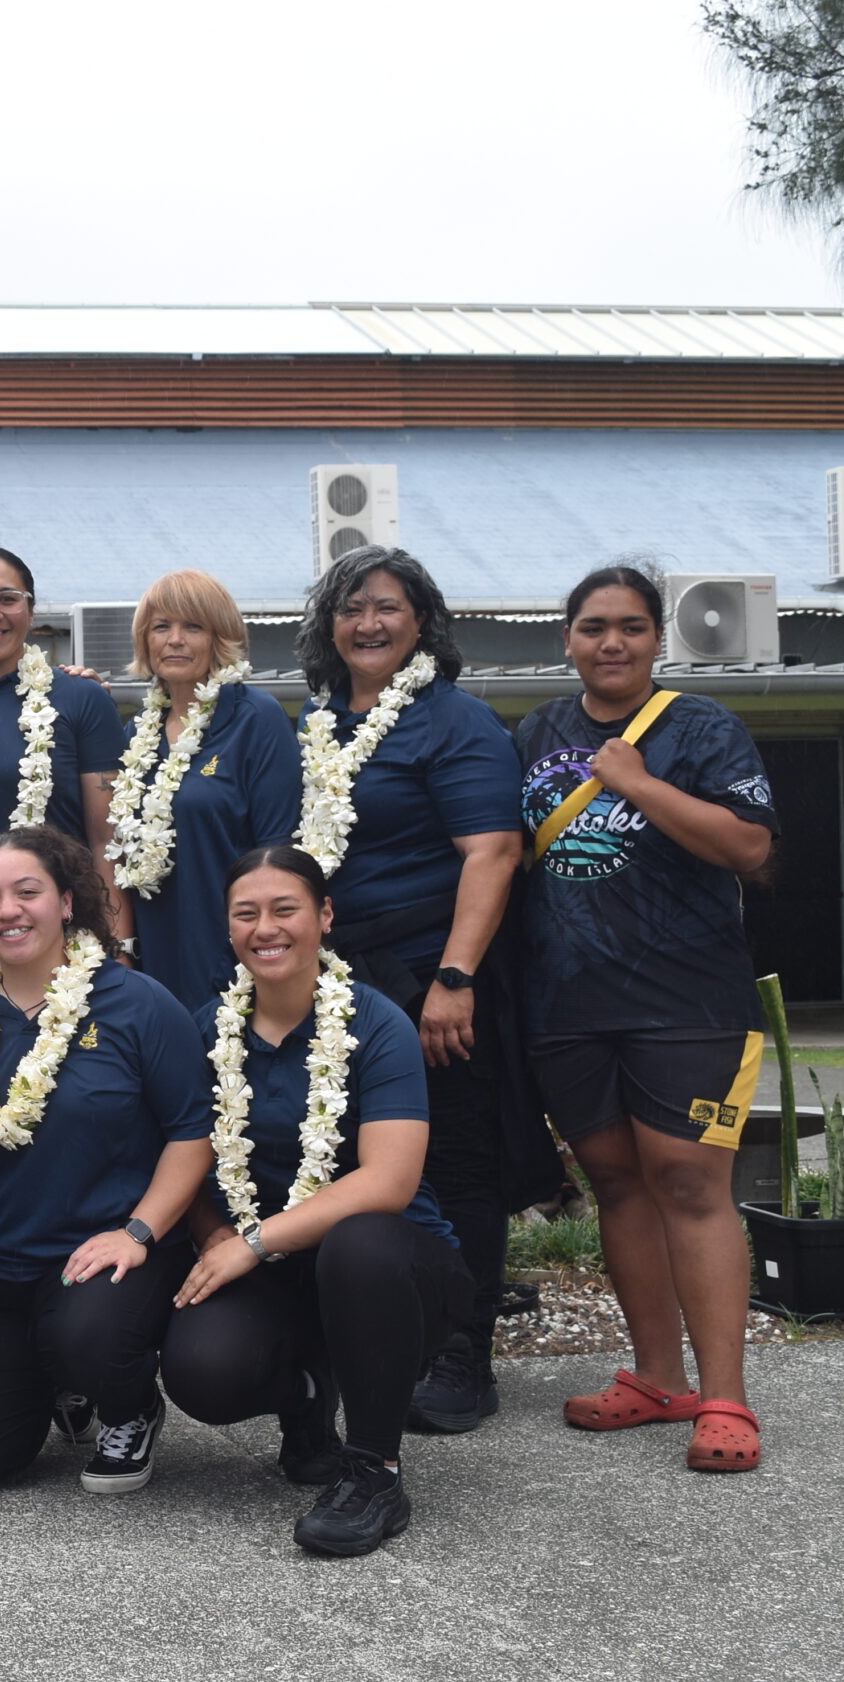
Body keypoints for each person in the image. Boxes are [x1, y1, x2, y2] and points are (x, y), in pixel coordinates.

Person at [517, 562, 778, 1473]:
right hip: (568, 1005)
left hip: (689, 1000)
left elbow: (749, 847)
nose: (612, 642)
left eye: (630, 626)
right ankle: (658, 1379)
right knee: (618, 1183)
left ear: (657, 638)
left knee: (690, 1183)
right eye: (593, 627)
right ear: (568, 640)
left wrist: (637, 784)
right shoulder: (538, 730)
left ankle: (726, 1399)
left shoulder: (701, 726)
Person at [160, 845, 470, 1556]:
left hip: (394, 1269)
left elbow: (389, 1182)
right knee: (202, 1371)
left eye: (285, 909)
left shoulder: (377, 1023)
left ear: (325, 916)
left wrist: (253, 1242)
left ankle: (374, 1472)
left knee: (359, 1241)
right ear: (228, 928)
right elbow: (190, 1156)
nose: (266, 928)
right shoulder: (206, 1028)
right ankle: (304, 1398)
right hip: (269, 1265)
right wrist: (215, 1234)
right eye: (247, 914)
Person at [293, 545, 524, 1434]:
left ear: (421, 621)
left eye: (387, 607)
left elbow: (492, 852)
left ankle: (466, 1353)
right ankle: (386, 1335)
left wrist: (455, 978)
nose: (369, 624)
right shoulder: (318, 723)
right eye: (351, 609)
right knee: (359, 1157)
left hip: (433, 973)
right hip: (344, 980)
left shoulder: (453, 720)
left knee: (455, 1159)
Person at [0, 826, 213, 1495]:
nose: (7, 911)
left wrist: (139, 1231)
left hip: (107, 1255)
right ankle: (56, 1383)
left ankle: (128, 1406)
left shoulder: (139, 1005)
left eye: (27, 892)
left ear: (67, 901)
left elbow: (192, 1133)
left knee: (88, 1335)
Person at [0, 548, 134, 1018]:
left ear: (31, 612)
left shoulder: (82, 701)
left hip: (61, 940)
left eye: (8, 598)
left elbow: (108, 838)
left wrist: (119, 942)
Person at [103, 569, 302, 1015]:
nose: (175, 640)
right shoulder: (137, 734)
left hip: (234, 959)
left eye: (192, 626)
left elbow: (279, 854)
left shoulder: (257, 719)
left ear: (220, 638)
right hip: (151, 961)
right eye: (161, 627)